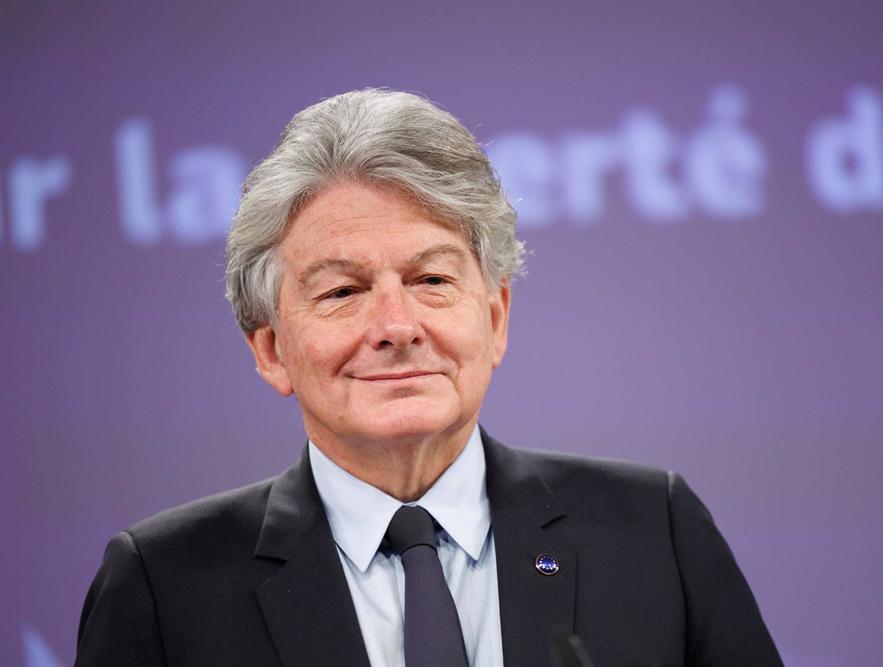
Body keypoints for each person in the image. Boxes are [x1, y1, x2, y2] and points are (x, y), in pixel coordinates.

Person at [76, 88, 782, 667]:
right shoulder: (164, 587)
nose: (397, 323)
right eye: (342, 291)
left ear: (496, 316)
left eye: (431, 278)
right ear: (270, 349)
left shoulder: (652, 531)